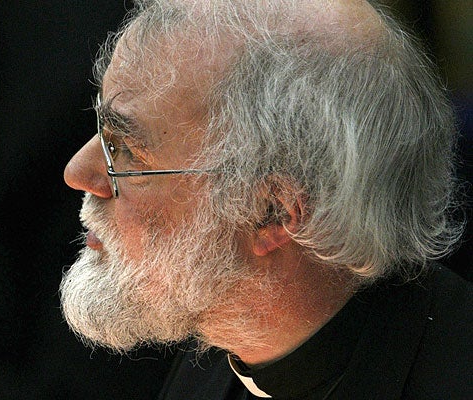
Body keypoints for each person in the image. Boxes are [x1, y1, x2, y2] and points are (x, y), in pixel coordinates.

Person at [61, 0, 472, 398]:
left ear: (271, 214)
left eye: (126, 149)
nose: (76, 172)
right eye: (102, 128)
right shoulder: (222, 336)